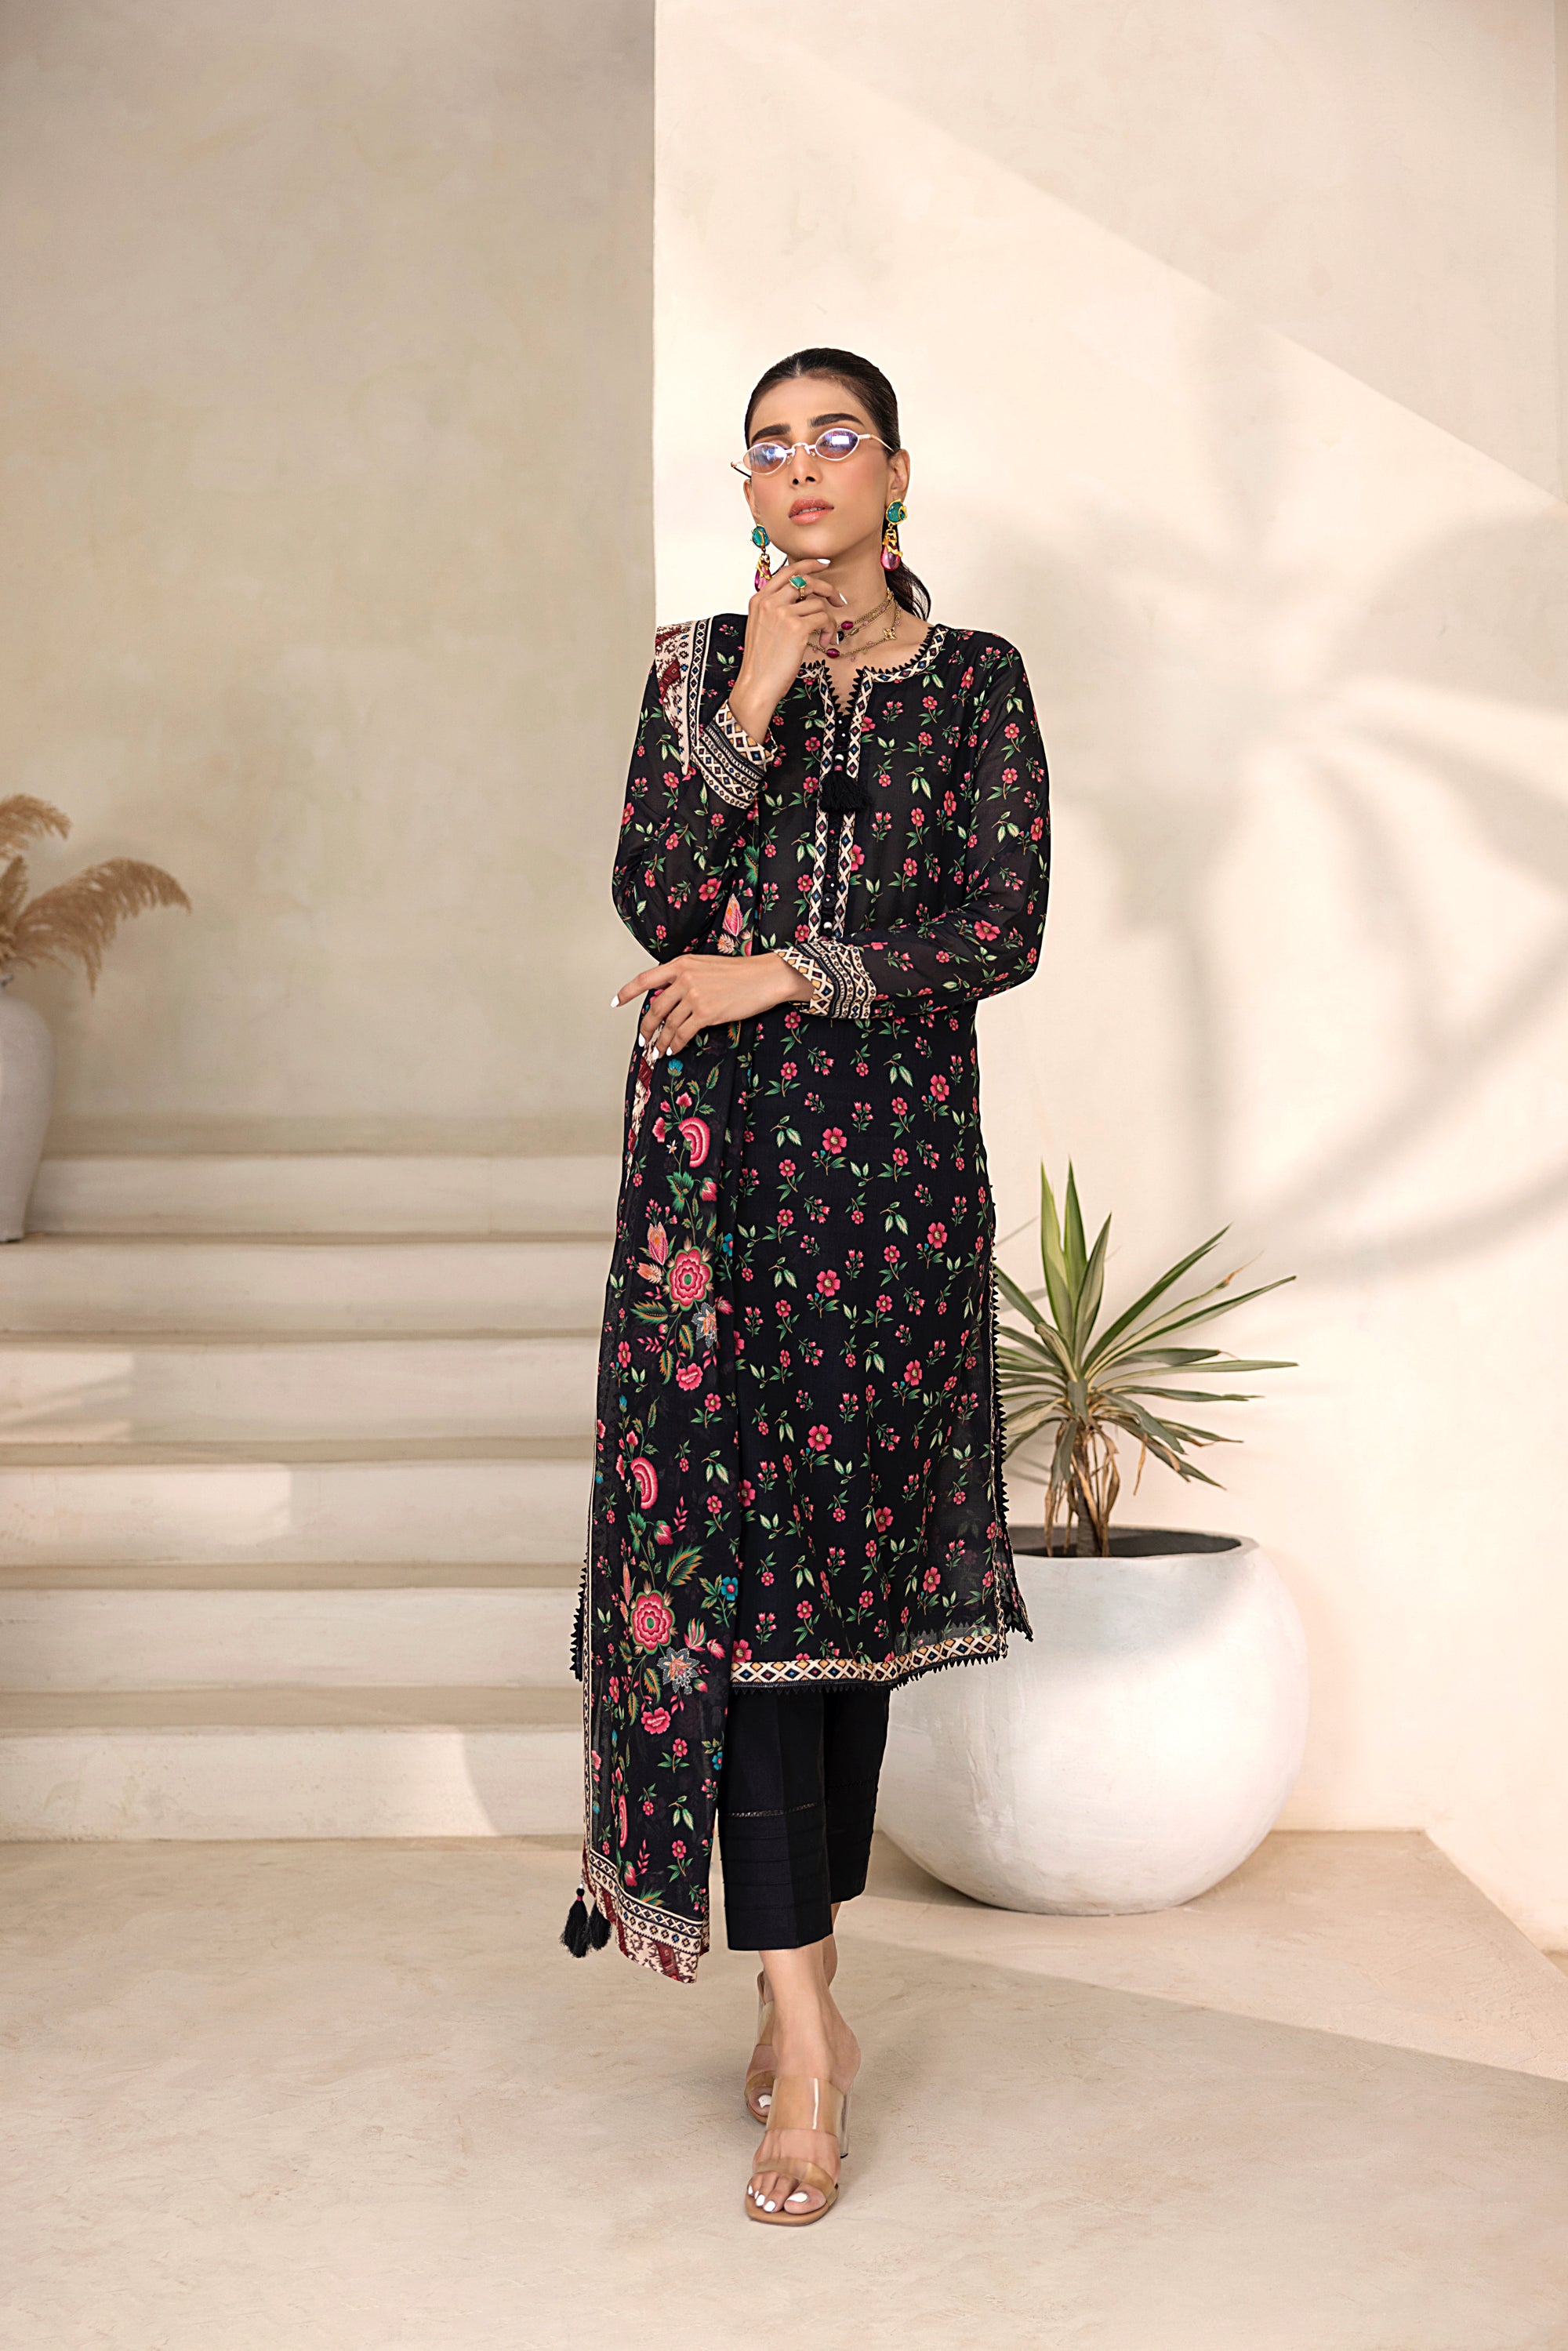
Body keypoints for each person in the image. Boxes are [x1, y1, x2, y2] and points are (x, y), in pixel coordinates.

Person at [563, 346, 1051, 2226]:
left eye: (835, 436)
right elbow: (654, 900)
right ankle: (803, 2030)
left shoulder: (977, 680)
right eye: (767, 447)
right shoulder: (695, 669)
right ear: (749, 492)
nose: (801, 467)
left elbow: (998, 926)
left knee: (840, 1611)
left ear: (897, 474)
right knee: (745, 1600)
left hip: (893, 1198)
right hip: (713, 1201)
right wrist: (755, 694)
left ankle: (807, 1973)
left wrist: (786, 971)